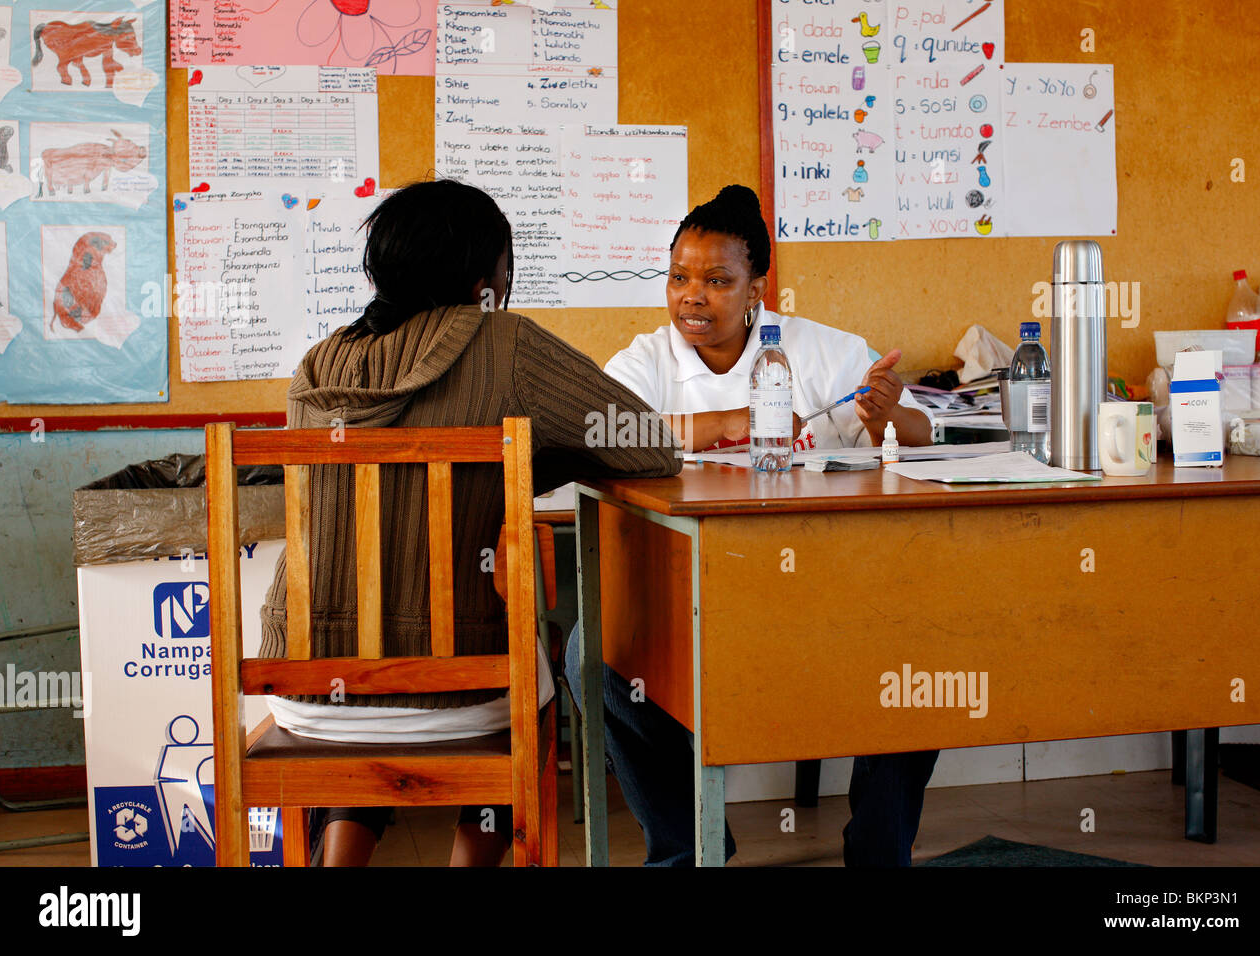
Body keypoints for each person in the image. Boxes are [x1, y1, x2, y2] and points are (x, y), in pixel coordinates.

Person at [257, 180, 680, 866]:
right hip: (456, 690)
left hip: (303, 683)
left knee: (372, 674)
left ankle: (337, 862)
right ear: (488, 277)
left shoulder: (320, 360)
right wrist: (522, 468)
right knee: (528, 692)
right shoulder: (503, 341)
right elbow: (648, 443)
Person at [565, 184, 939, 866]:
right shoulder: (648, 359)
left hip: (829, 586)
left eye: (716, 280)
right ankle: (688, 845)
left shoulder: (823, 349)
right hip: (690, 595)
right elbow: (596, 428)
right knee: (591, 651)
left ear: (756, 289)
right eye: (678, 278)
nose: (691, 297)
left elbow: (919, 430)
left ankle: (880, 849)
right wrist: (727, 424)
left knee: (923, 632)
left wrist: (888, 416)